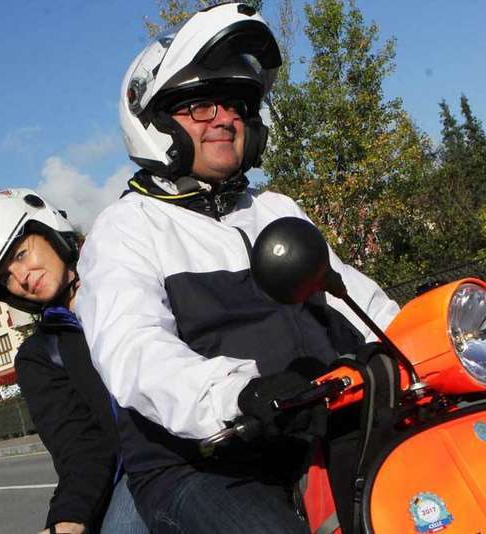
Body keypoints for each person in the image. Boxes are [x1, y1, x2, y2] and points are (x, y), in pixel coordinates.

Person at [74, 3, 400, 533]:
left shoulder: (277, 209)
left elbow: (360, 301)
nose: (225, 118)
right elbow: (134, 350)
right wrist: (238, 394)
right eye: (200, 105)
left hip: (321, 429)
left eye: (235, 104)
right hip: (207, 462)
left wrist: (416, 338)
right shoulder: (127, 228)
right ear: (153, 121)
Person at [0, 188, 147, 534]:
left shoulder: (134, 264)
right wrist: (67, 520)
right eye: (6, 277)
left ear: (48, 228)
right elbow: (80, 448)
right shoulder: (41, 356)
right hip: (145, 469)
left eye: (21, 254)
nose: (22, 277)